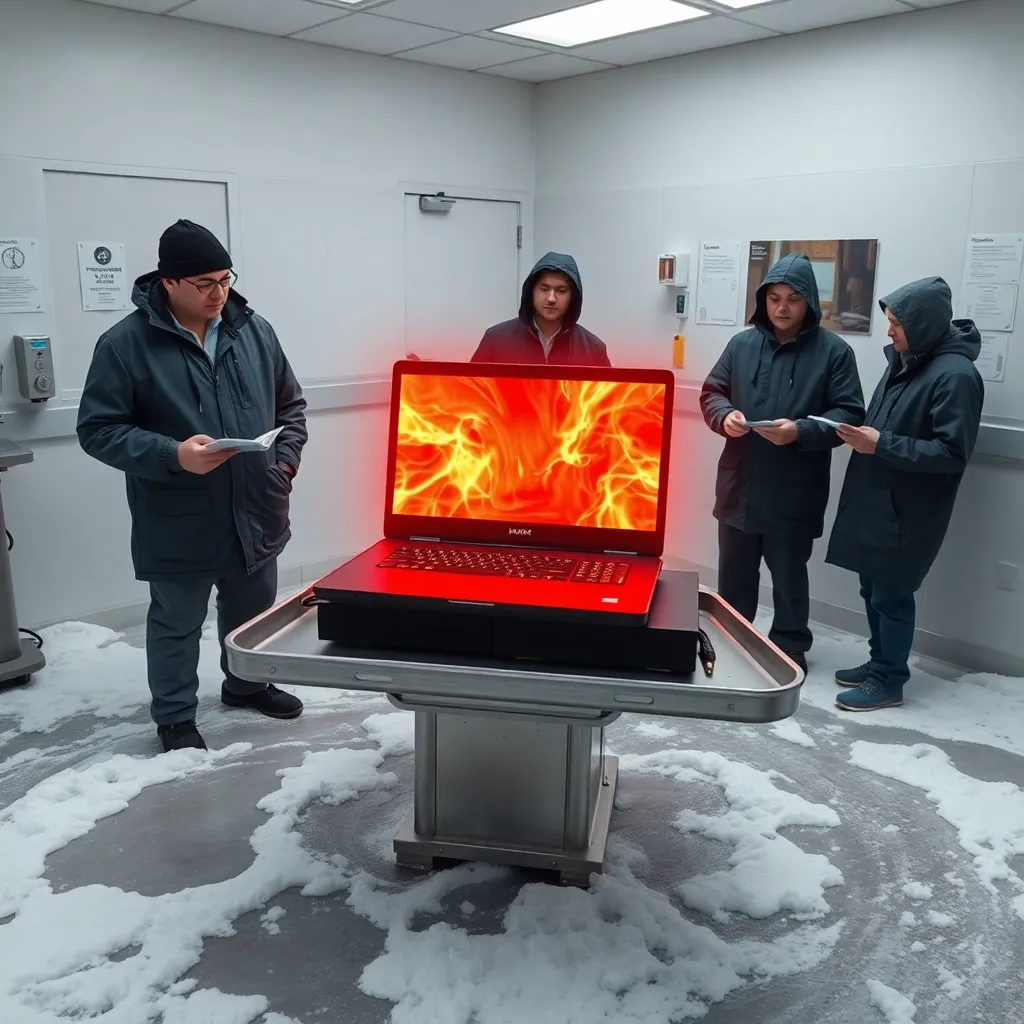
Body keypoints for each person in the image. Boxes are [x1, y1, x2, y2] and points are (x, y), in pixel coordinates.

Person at [77, 219, 308, 752]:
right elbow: (98, 430)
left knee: (251, 611)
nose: (219, 293)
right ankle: (176, 715)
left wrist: (285, 466)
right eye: (205, 283)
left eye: (226, 279)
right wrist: (172, 454)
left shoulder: (255, 330)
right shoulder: (123, 345)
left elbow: (291, 406)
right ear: (168, 283)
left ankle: (246, 684)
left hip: (257, 504)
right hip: (178, 513)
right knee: (176, 621)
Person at [700, 253, 865, 673]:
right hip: (741, 485)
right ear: (763, 299)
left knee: (790, 578)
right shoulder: (741, 344)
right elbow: (712, 392)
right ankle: (733, 639)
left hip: (795, 490)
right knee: (735, 578)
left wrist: (801, 432)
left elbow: (849, 414)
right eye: (773, 297)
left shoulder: (835, 352)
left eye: (792, 299)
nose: (781, 308)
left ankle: (790, 647)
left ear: (810, 302)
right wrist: (726, 416)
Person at [826, 277, 983, 711]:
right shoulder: (907, 360)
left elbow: (952, 452)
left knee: (891, 596)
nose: (889, 332)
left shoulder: (956, 376)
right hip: (877, 500)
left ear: (924, 324)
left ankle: (889, 680)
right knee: (870, 588)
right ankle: (880, 662)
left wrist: (880, 444)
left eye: (896, 323)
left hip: (909, 510)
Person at [471, 252, 611, 365]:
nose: (551, 298)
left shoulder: (594, 350)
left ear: (573, 296)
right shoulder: (495, 340)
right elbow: (471, 394)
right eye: (544, 289)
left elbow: (607, 399)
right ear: (531, 291)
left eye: (561, 291)